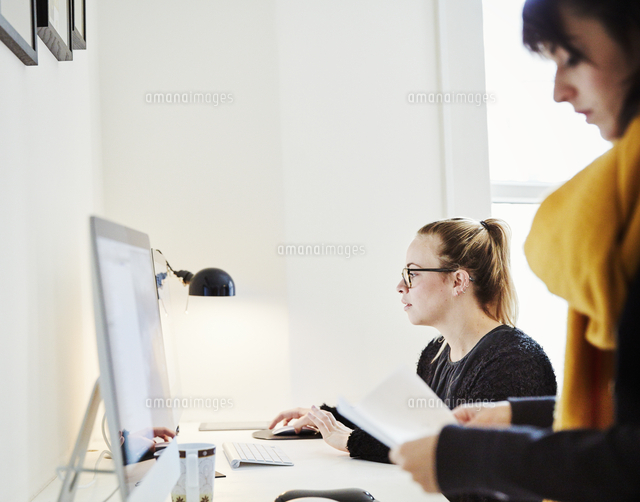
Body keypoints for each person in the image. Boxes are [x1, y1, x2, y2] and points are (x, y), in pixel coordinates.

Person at [390, 1, 640, 500]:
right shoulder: (622, 206)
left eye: (572, 56)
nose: (558, 91)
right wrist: (520, 414)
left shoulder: (510, 356)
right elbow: (622, 410)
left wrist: (467, 456)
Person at [270, 218, 556, 502]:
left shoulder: (514, 361)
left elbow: (473, 472)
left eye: (413, 274)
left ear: (458, 280)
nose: (399, 286)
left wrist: (349, 440)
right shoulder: (435, 353)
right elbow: (408, 430)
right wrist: (325, 417)